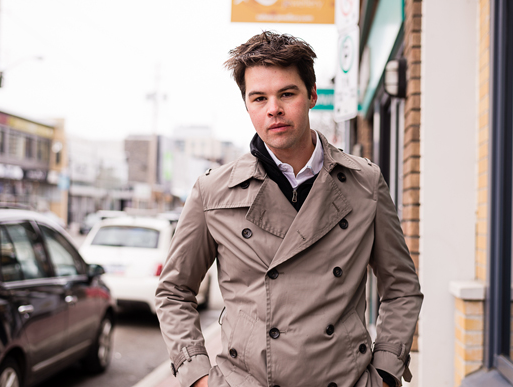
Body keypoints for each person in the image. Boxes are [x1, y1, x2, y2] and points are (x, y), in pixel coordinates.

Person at [155, 31, 423, 387]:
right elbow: (174, 291)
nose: (273, 109)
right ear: (247, 105)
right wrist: (199, 378)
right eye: (259, 98)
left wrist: (387, 372)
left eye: (286, 94)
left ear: (311, 95)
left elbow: (401, 285)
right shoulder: (213, 192)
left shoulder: (365, 183)